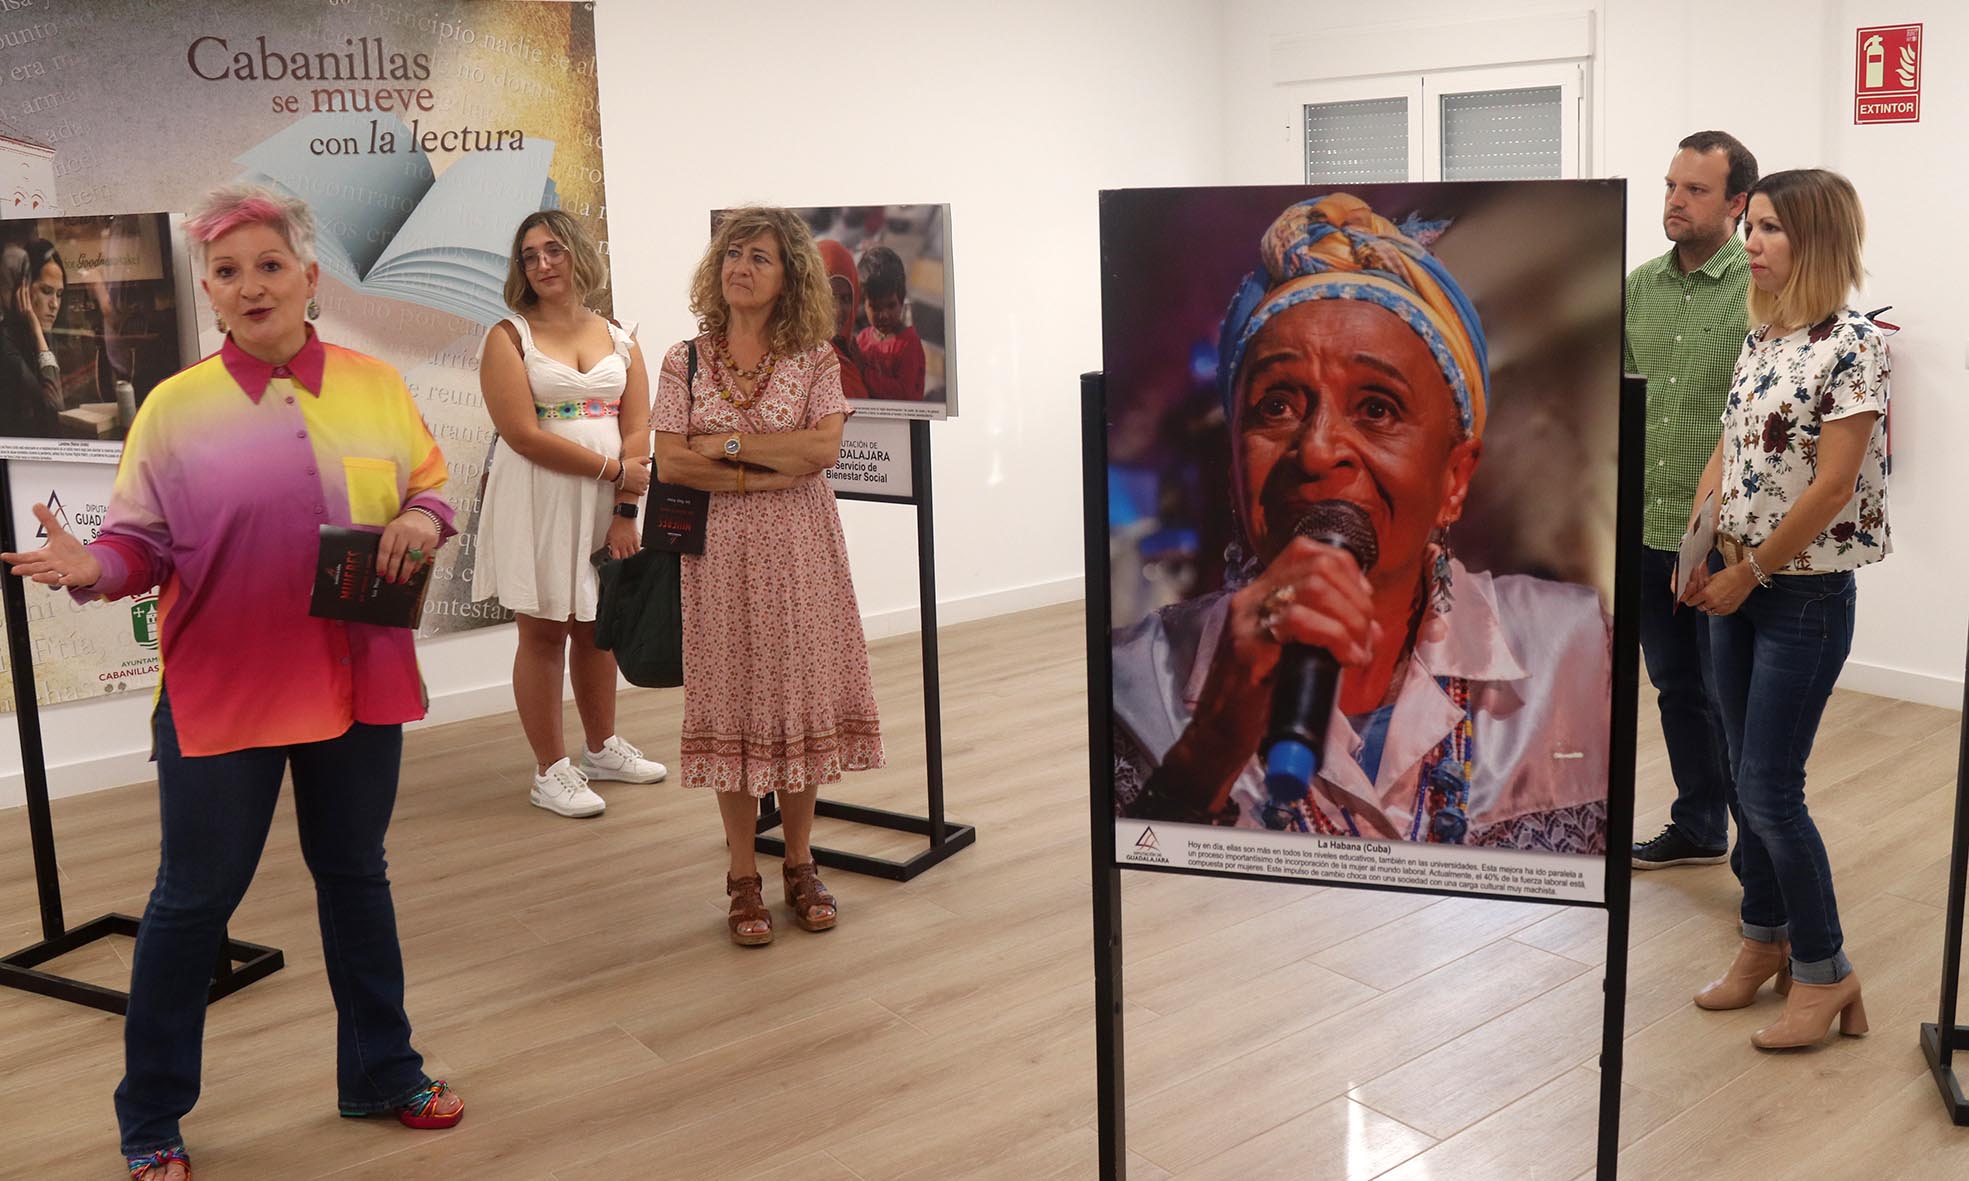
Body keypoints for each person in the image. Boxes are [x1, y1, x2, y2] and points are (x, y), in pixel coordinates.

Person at [0, 185, 464, 1181]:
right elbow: (137, 543)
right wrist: (94, 567)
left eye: (268, 264)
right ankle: (152, 1118)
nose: (249, 285)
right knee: (191, 903)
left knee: (356, 878)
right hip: (226, 691)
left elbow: (427, 480)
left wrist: (425, 516)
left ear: (308, 276)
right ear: (209, 292)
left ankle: (383, 1069)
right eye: (227, 271)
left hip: (356, 684)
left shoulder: (378, 384)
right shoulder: (174, 407)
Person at [1112, 193, 1610, 851]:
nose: (1317, 449)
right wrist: (1208, 748)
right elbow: (1147, 920)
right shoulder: (1132, 683)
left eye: (1376, 408)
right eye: (1276, 405)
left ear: (1454, 479)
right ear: (1233, 461)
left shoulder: (1572, 647)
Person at [1681, 169, 1887, 1050]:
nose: (1750, 243)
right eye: (1750, 226)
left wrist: (1749, 573)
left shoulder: (1852, 345)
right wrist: (1698, 546)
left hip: (1796, 596)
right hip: (1729, 581)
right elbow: (1727, 448)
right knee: (1737, 777)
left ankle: (1824, 969)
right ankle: (1760, 943)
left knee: (1769, 786)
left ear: (1815, 240)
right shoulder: (1760, 335)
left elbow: (1835, 483)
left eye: (1767, 229)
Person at [652, 205, 884, 946]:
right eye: (732, 256)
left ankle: (799, 860)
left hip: (799, 554)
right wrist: (759, 454)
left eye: (759, 258)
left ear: (790, 276)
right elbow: (671, 461)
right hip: (716, 560)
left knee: (796, 699)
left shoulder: (815, 357)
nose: (741, 269)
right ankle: (742, 874)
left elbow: (818, 452)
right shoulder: (680, 359)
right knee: (729, 702)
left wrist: (722, 450)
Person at [473, 210, 665, 819]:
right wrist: (612, 472)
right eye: (529, 255)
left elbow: (638, 427)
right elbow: (522, 435)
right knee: (543, 630)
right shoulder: (507, 337)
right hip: (539, 497)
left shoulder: (622, 336)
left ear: (580, 253)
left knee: (597, 623)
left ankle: (601, 748)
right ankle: (549, 770)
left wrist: (626, 506)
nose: (543, 264)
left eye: (553, 249)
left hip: (610, 503)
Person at [1625, 131, 1757, 871]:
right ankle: (1699, 824)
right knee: (1675, 686)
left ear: (1736, 203)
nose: (1674, 200)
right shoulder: (1639, 286)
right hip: (1647, 525)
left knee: (1729, 700)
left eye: (1695, 190)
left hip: (1724, 536)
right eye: (1671, 185)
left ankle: (1758, 867)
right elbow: (1617, 404)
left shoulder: (1762, 287)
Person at [0, 240, 60, 436]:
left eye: (59, 294)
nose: (54, 305)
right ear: (23, 291)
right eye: (46, 291)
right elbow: (53, 406)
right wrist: (36, 328)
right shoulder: (5, 343)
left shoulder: (31, 337)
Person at [853, 244, 925, 400]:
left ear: (901, 299)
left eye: (891, 305)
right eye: (875, 307)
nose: (884, 315)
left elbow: (903, 395)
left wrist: (864, 373)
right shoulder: (862, 340)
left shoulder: (908, 344)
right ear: (863, 304)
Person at [817, 237, 871, 399]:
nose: (838, 310)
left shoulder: (852, 350)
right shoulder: (805, 359)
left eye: (847, 299)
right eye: (830, 297)